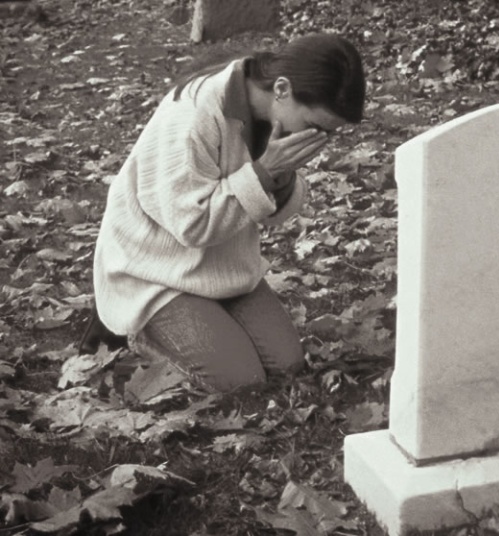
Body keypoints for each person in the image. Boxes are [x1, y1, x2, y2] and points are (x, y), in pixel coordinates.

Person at [80, 34, 366, 391]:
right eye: (315, 127)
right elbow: (192, 225)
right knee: (240, 381)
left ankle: (207, 323)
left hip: (223, 264)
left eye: (329, 133)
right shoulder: (191, 116)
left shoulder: (273, 114)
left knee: (288, 365)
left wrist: (278, 173)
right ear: (281, 88)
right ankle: (132, 335)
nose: (318, 140)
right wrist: (264, 173)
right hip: (155, 269)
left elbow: (270, 214)